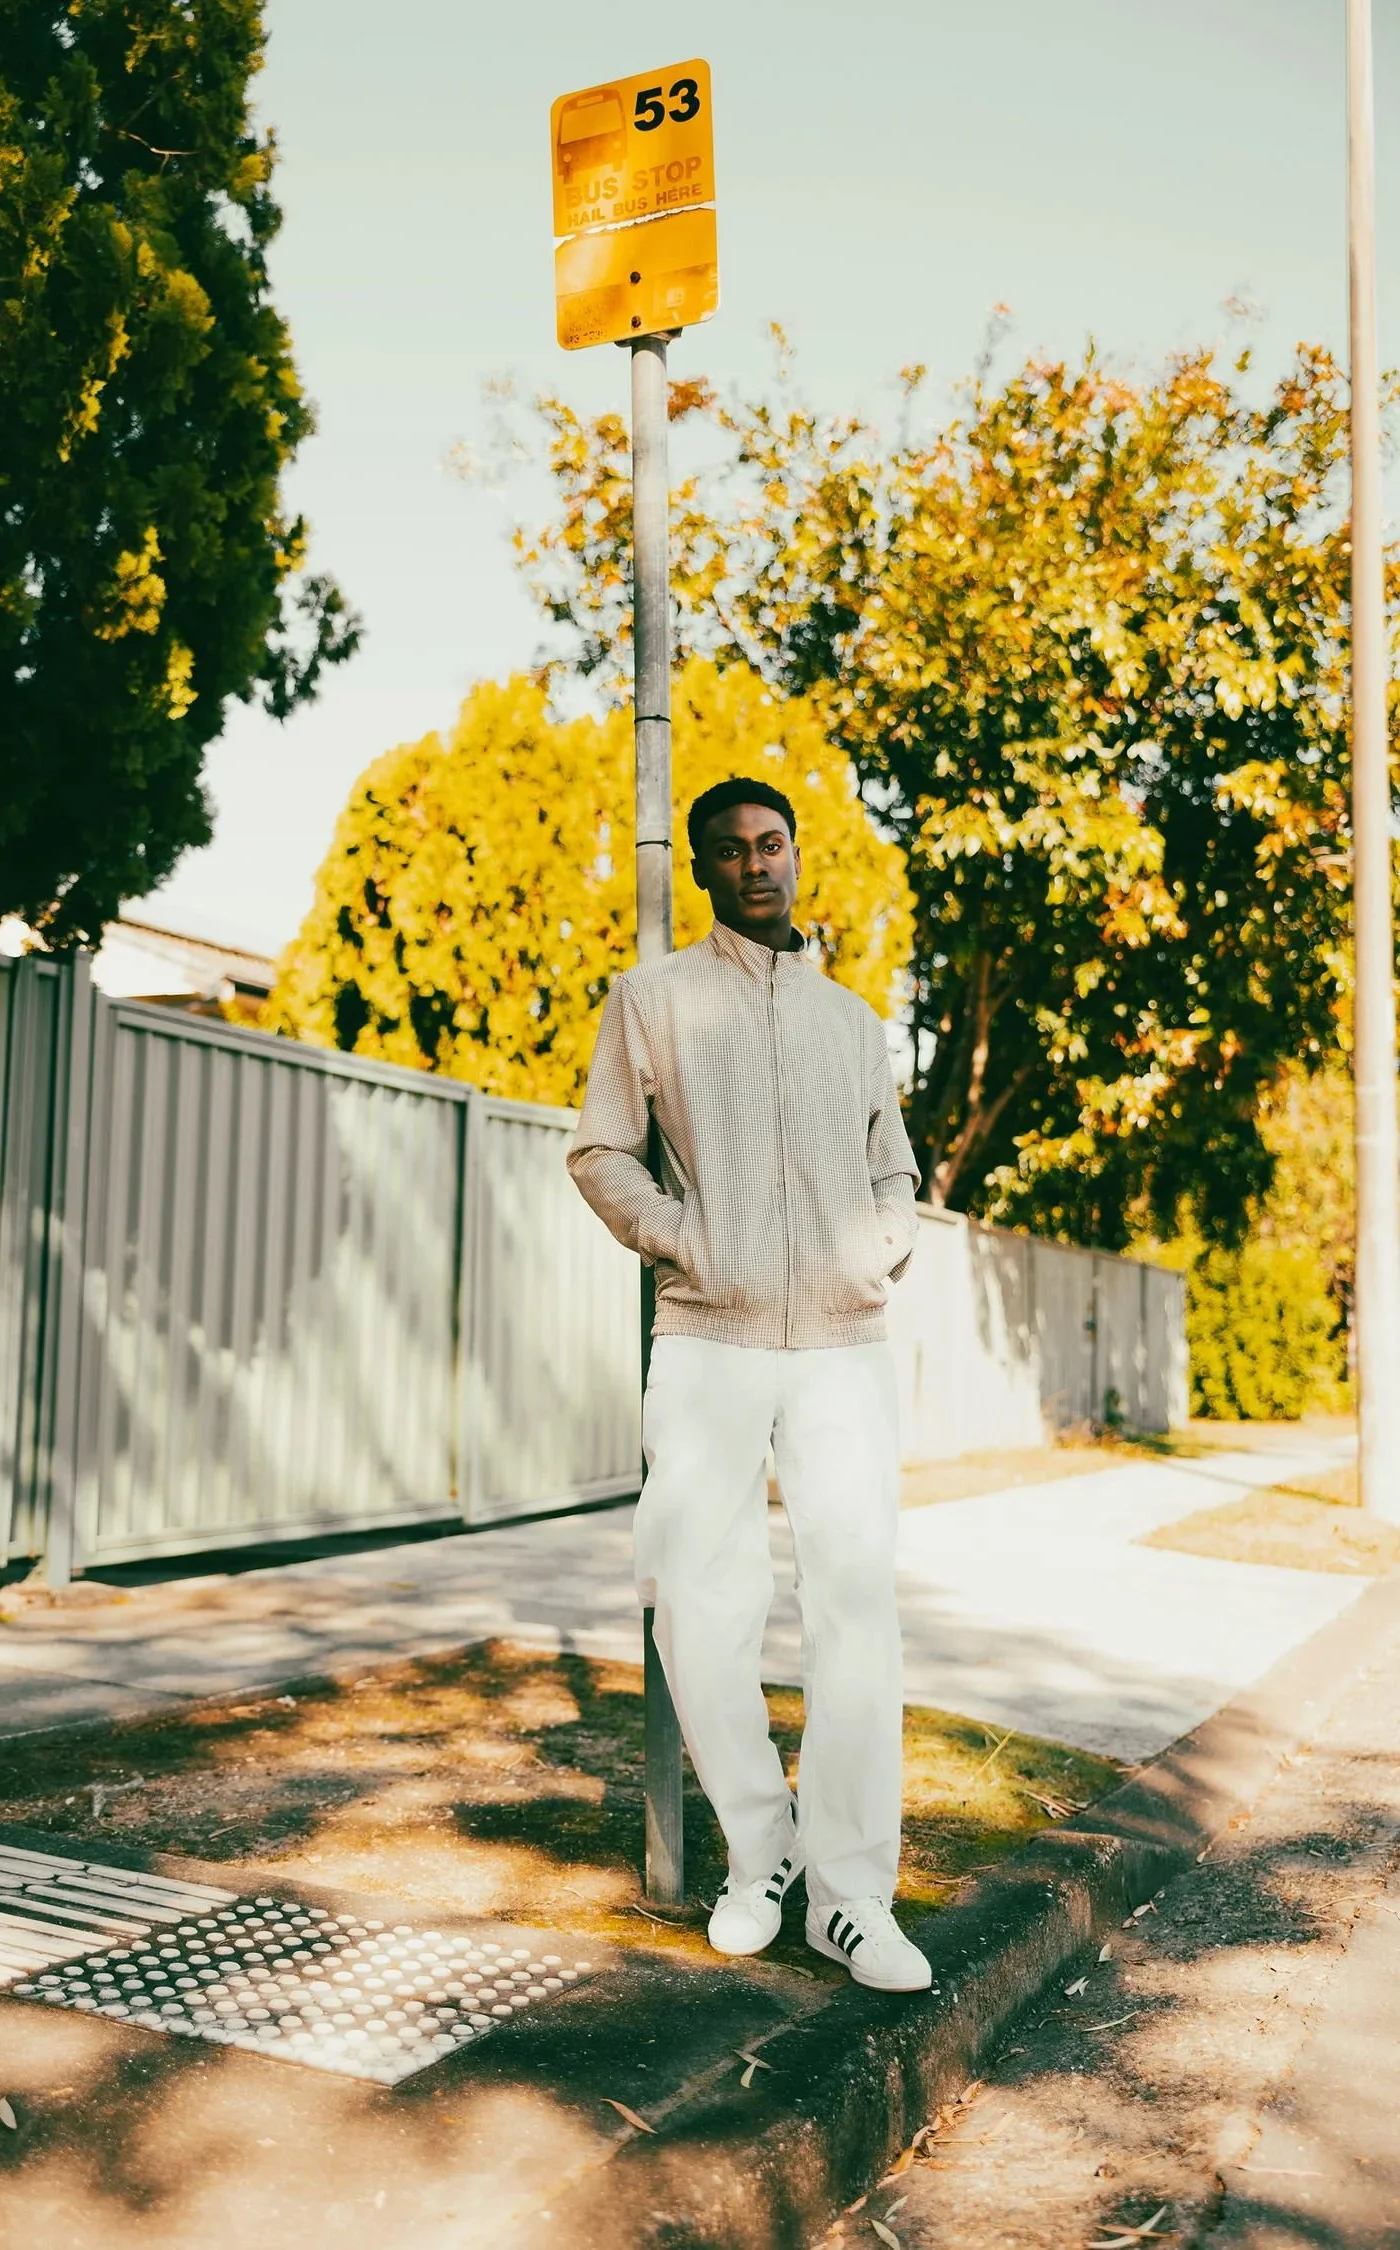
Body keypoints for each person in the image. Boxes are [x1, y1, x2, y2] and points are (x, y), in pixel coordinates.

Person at [567, 776, 930, 1992]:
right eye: (731, 852)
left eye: (772, 844)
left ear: (794, 856)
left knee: (853, 1610)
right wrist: (681, 1237)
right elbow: (599, 1147)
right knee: (688, 1597)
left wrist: (876, 1252)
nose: (756, 865)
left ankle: (851, 1895)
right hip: (711, 1337)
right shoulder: (654, 1000)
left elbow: (897, 1175)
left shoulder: (851, 1021)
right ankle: (760, 1845)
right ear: (708, 869)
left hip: (840, 1346)